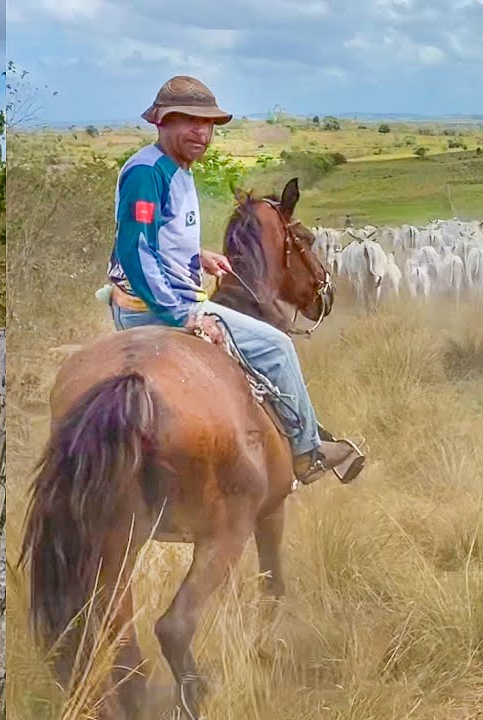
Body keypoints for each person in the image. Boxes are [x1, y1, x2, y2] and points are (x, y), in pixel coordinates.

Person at [103, 75, 364, 486]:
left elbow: (157, 239)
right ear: (161, 122)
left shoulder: (176, 170)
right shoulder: (147, 172)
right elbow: (135, 251)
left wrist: (198, 256)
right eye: (189, 121)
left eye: (207, 124)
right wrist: (184, 316)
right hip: (153, 310)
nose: (201, 132)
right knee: (277, 348)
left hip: (165, 298)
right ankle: (308, 451)